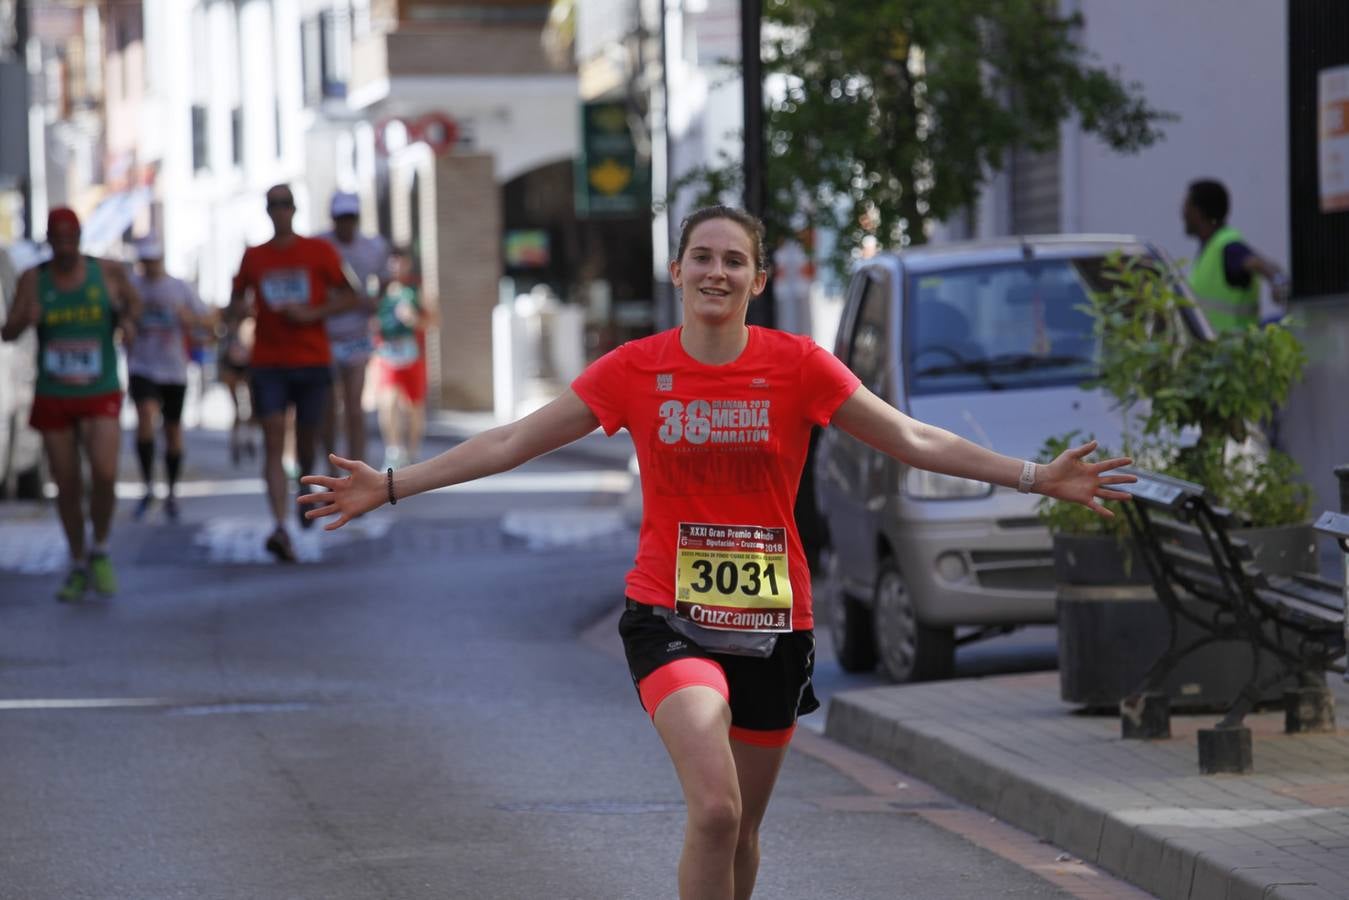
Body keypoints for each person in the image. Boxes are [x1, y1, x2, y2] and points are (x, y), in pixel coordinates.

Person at [299, 206, 1134, 899]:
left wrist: (1034, 475)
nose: (716, 272)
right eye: (701, 256)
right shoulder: (635, 370)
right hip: (670, 616)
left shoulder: (797, 366)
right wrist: (395, 483)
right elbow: (518, 439)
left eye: (734, 261)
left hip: (775, 624)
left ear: (757, 281)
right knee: (713, 811)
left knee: (743, 834)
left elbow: (910, 436)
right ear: (677, 271)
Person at [0, 208, 141, 601]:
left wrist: (128, 323)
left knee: (105, 473)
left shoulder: (108, 272)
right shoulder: (34, 279)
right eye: (57, 238)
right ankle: (78, 560)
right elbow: (7, 331)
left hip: (100, 388)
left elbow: (134, 306)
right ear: (49, 239)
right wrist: (25, 319)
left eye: (70, 237)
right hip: (55, 392)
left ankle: (101, 547)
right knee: (66, 482)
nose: (64, 244)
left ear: (79, 237)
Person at [226, 184, 357, 563]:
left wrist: (312, 314)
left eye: (286, 205)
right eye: (274, 205)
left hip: (312, 360)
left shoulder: (318, 251)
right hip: (268, 362)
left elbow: (350, 294)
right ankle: (280, 526)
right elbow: (236, 301)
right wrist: (235, 321)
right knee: (271, 439)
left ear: (295, 210)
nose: (280, 211)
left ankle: (303, 491)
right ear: (268, 212)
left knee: (307, 442)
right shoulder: (254, 257)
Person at [127, 237, 213, 521]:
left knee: (173, 431)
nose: (150, 267)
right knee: (145, 416)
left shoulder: (179, 287)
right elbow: (120, 317)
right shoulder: (133, 286)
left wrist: (190, 319)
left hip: (174, 368)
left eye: (154, 261)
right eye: (146, 262)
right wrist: (127, 323)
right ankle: (148, 485)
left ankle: (172, 491)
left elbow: (209, 321)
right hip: (142, 365)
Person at [318, 190, 388, 472]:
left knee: (355, 407)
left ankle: (358, 467)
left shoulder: (373, 247)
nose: (345, 223)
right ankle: (332, 464)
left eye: (350, 217)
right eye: (340, 218)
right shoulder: (320, 245)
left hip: (357, 335)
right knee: (329, 407)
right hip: (327, 335)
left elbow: (383, 281)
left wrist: (374, 302)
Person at [1182, 178, 1291, 333]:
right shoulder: (1211, 249)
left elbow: (1258, 263)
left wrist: (1278, 280)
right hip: (1219, 351)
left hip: (1235, 350)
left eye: (1187, 208)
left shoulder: (1228, 246)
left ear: (1198, 212)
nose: (1183, 214)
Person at [372, 246, 434, 468]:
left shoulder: (417, 289)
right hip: (388, 356)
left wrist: (414, 319)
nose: (396, 266)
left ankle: (412, 453)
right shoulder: (380, 290)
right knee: (387, 402)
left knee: (414, 408)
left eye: (401, 261)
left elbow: (434, 321)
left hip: (412, 357)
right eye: (393, 261)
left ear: (408, 263)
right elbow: (370, 321)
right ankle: (394, 451)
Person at [218, 315, 257, 466]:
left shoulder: (249, 319)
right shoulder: (229, 318)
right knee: (237, 408)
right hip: (232, 365)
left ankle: (249, 439)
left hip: (247, 364)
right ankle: (236, 442)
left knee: (251, 406)